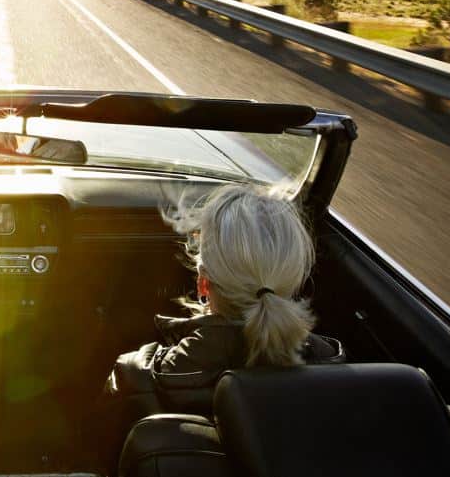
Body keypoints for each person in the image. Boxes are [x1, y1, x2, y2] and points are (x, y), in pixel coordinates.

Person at [100, 186, 343, 463]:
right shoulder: (337, 370)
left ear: (203, 283)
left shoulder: (136, 378)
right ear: (292, 280)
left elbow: (97, 455)